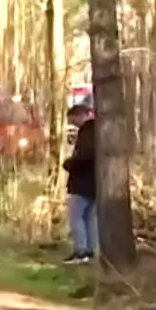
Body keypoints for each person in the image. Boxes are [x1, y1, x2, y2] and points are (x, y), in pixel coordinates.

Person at [62, 103, 97, 263]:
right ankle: (90, 250)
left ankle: (81, 251)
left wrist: (69, 164)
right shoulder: (95, 131)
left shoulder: (88, 133)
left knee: (76, 217)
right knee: (90, 218)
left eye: (73, 120)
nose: (73, 125)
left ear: (80, 115)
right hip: (94, 183)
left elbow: (84, 156)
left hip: (82, 182)